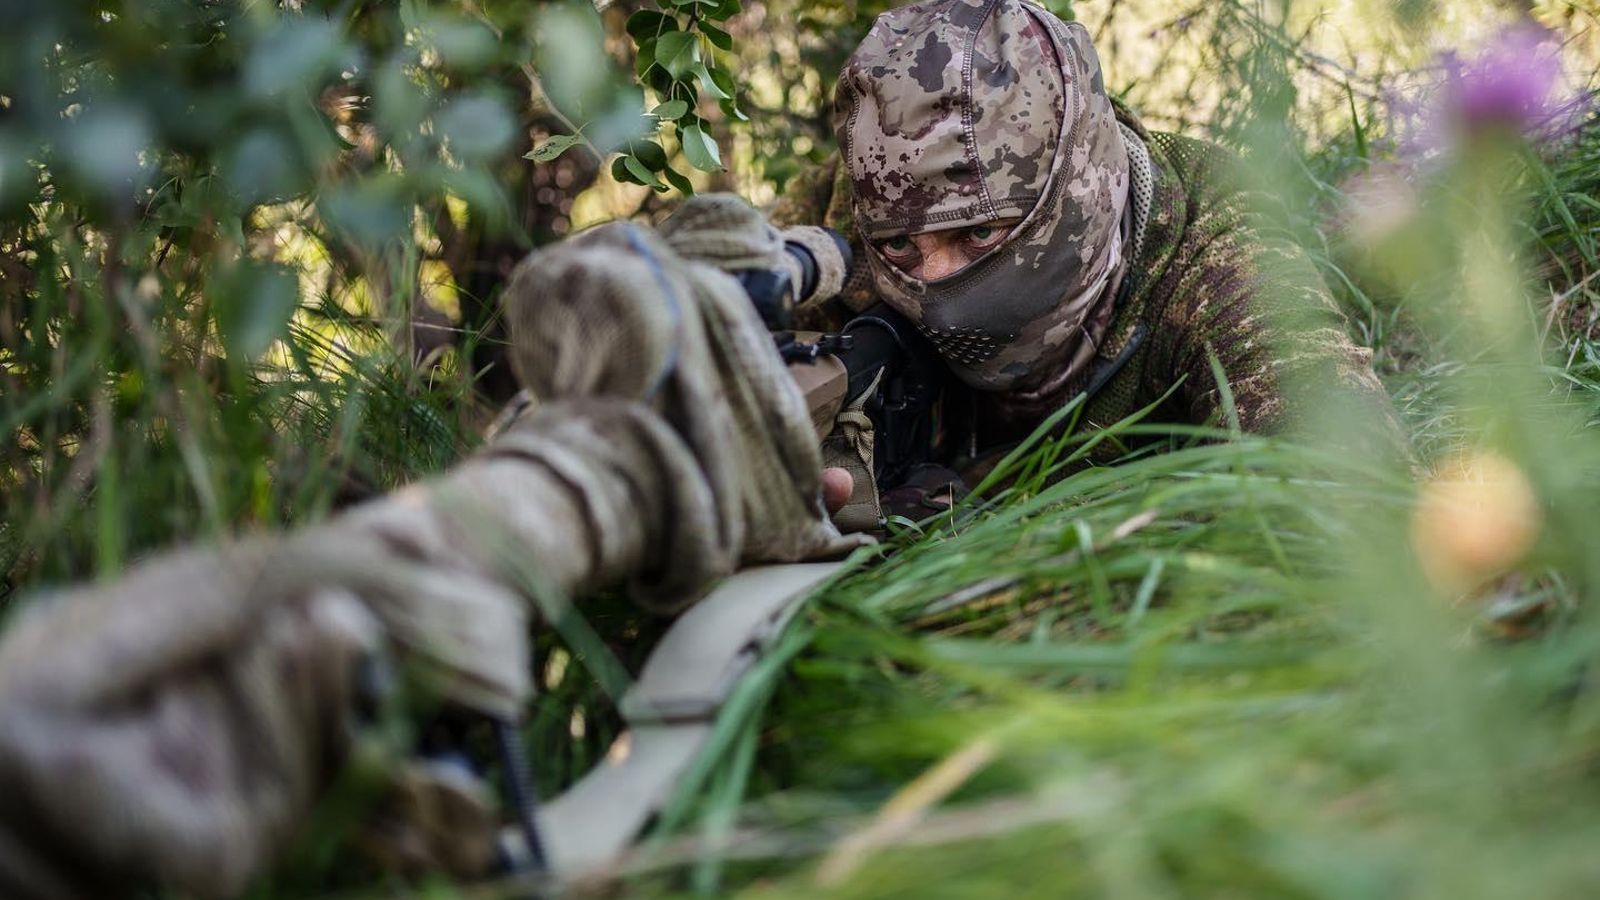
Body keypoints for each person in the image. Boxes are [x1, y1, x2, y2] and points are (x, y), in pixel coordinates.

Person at [773, 0, 1398, 513]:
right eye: (902, 246)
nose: (936, 285)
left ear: (1074, 193)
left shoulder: (1211, 245)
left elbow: (1349, 491)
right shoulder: (848, 214)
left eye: (982, 233)